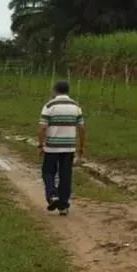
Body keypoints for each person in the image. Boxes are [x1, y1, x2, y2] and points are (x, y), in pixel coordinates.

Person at [38, 80, 85, 215]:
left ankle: (53, 195)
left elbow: (42, 128)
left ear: (55, 90)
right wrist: (81, 146)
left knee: (48, 172)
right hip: (69, 147)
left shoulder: (49, 105)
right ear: (68, 91)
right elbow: (81, 128)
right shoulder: (76, 106)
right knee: (66, 175)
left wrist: (41, 145)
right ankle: (64, 205)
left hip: (52, 147)